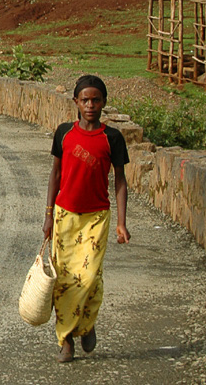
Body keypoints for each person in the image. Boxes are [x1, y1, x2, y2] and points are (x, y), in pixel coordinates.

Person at [43, 74, 130, 363]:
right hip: (65, 216)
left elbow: (120, 181)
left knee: (90, 277)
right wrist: (48, 216)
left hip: (96, 218)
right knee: (65, 280)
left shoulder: (112, 138)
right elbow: (55, 174)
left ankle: (87, 322)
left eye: (96, 100)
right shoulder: (64, 133)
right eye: (85, 100)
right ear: (76, 103)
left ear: (104, 102)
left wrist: (121, 221)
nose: (90, 105)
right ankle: (66, 339)